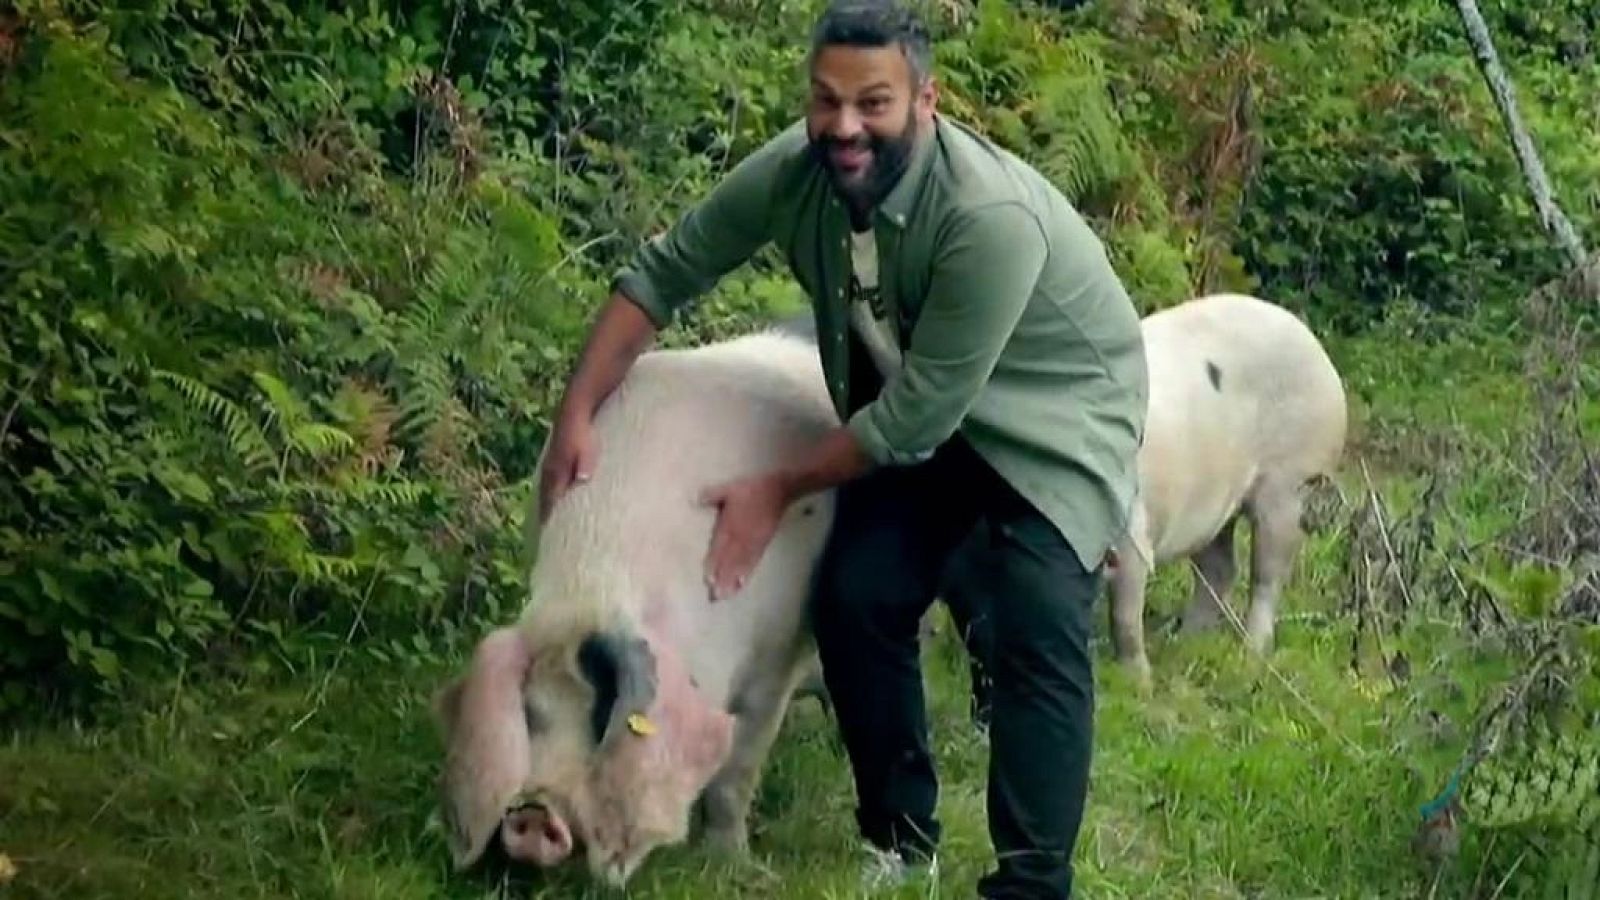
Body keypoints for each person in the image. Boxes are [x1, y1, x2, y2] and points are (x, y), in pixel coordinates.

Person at [534, 1, 1148, 896]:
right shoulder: (796, 172)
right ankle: (901, 840)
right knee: (858, 596)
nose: (845, 125)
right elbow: (665, 272)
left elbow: (915, 421)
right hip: (918, 401)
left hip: (1056, 418)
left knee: (1037, 620)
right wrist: (576, 414)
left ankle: (1031, 880)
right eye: (826, 100)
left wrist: (776, 488)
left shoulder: (987, 217)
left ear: (925, 102)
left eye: (874, 103)